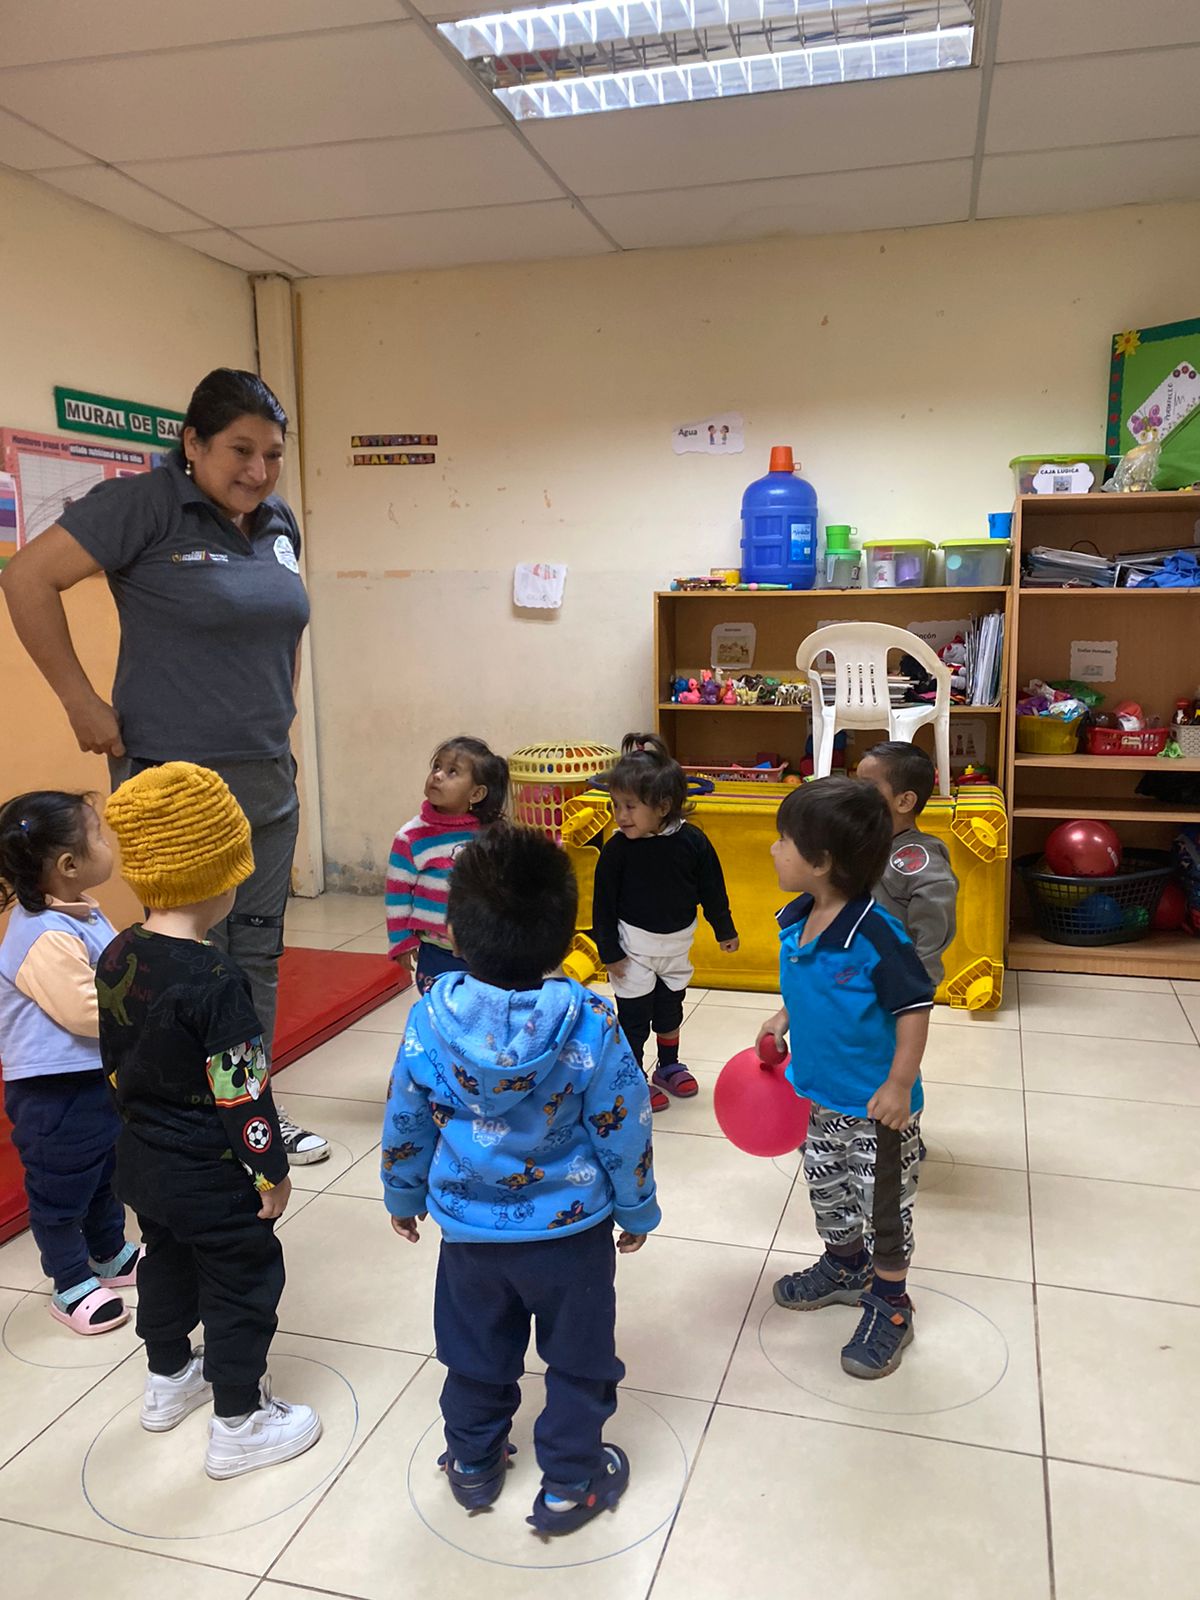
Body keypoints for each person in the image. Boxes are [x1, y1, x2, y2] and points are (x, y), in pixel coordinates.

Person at [0, 368, 327, 1165]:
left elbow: (281, 627)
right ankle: (185, 1121)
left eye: (273, 454)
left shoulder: (276, 520)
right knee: (187, 958)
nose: (258, 470)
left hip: (264, 777)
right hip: (173, 786)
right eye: (240, 450)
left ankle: (249, 1112)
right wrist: (80, 701)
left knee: (257, 953)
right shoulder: (143, 506)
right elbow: (26, 577)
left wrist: (279, 718)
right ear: (193, 443)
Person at [382, 824, 659, 1535]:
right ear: (566, 937)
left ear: (453, 933)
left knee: (474, 1354)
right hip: (572, 1236)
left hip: (469, 1239)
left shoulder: (428, 1020)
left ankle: (473, 1462)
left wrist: (403, 1192)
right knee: (579, 1361)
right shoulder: (592, 1021)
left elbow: (406, 1115)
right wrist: (637, 1207)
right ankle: (570, 1482)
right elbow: (625, 1124)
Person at [99, 762, 321, 1478]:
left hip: (142, 1161)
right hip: (211, 1175)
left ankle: (168, 1379)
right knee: (239, 1283)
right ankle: (239, 1421)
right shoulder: (219, 979)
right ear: (222, 878)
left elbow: (114, 1061)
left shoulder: (118, 951)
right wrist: (270, 1172)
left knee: (164, 1261)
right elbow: (243, 1093)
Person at [757, 778, 933, 1380]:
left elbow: (914, 1007)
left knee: (882, 1209)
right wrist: (783, 1019)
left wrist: (899, 1084)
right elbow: (806, 988)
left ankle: (891, 1303)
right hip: (822, 1098)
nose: (774, 849)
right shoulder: (797, 920)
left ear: (822, 862)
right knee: (828, 1191)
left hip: (877, 1109)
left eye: (784, 840)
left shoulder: (876, 935)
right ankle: (845, 1265)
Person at [0, 791, 141, 1335]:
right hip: (53, 1092)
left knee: (103, 1171)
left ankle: (108, 1253)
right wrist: (146, 1009)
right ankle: (68, 1281)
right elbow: (86, 1012)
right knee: (60, 1188)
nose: (108, 844)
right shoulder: (43, 935)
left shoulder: (80, 913)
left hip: (90, 1078)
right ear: (68, 865)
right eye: (98, 836)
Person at [592, 733, 738, 1112]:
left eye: (630, 806)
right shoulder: (617, 850)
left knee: (670, 1009)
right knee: (635, 1018)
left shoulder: (693, 842)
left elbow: (712, 888)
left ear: (663, 806)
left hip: (676, 947)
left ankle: (668, 1065)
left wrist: (724, 929)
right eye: (615, 805)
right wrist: (608, 952)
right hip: (632, 951)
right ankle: (633, 1075)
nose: (620, 815)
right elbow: (602, 904)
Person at [385, 736, 509, 995]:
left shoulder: (490, 834)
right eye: (436, 767)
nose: (438, 775)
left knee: (484, 1005)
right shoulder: (411, 837)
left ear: (476, 794)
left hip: (485, 947)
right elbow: (397, 895)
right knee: (440, 1007)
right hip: (437, 950)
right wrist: (401, 942)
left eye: (452, 772)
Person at [856, 741, 958, 987]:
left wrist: (920, 978)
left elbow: (936, 913)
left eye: (867, 787)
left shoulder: (916, 856)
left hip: (895, 977)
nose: (855, 795)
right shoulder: (867, 841)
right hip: (858, 969)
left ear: (904, 801)